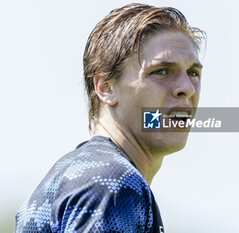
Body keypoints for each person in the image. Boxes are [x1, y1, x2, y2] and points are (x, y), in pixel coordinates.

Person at [15, 3, 205, 233]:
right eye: (161, 71)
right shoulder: (111, 183)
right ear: (106, 87)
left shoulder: (79, 174)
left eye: (193, 73)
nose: (187, 88)